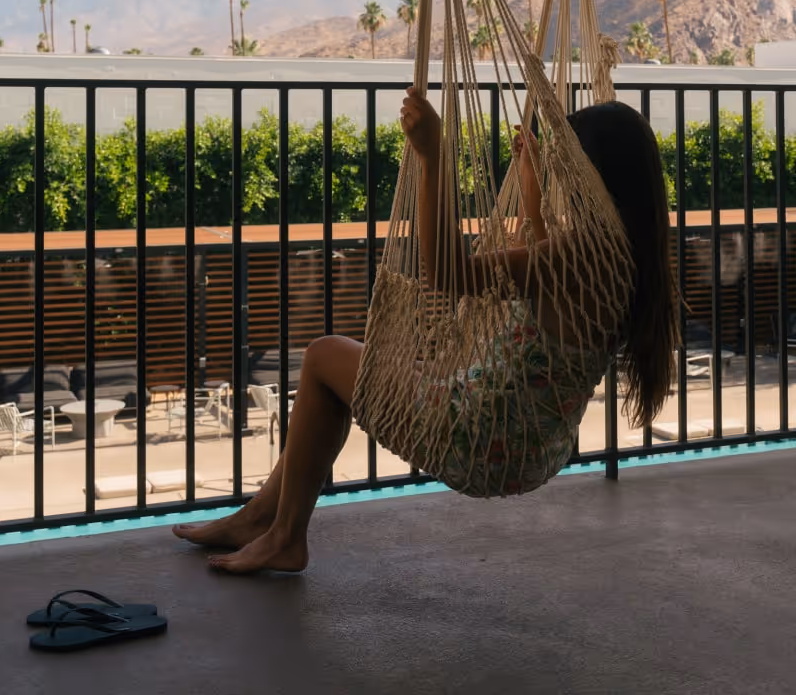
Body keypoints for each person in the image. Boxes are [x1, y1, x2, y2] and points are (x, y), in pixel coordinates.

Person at [173, 89, 677, 572]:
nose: (557, 168)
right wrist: (533, 195)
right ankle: (266, 519)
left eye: (565, 161)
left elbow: (448, 275)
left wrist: (434, 157)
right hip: (530, 445)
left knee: (324, 354)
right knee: (355, 369)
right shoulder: (624, 260)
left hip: (480, 436)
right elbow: (553, 286)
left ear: (591, 174)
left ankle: (282, 533)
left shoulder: (581, 256)